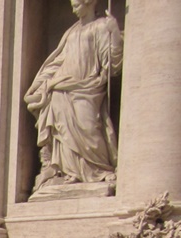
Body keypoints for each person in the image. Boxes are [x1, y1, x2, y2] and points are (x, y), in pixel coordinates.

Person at [24, 0, 123, 194]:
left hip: (88, 86)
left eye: (76, 4)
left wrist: (115, 34)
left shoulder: (102, 26)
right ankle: (69, 172)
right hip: (61, 87)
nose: (73, 8)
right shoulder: (71, 32)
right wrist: (37, 86)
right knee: (62, 132)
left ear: (89, 3)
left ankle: (100, 169)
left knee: (89, 128)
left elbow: (113, 63)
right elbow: (57, 62)